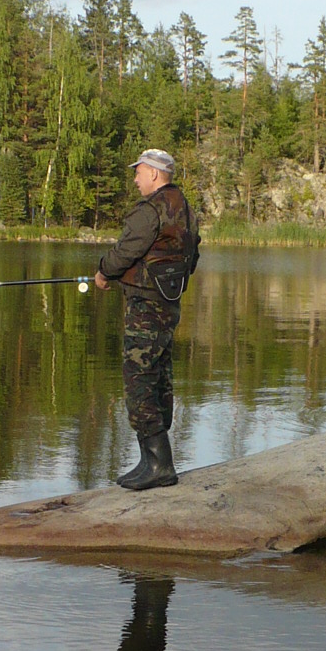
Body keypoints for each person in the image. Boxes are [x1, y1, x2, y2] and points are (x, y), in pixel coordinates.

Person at [93, 149, 200, 490]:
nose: (135, 178)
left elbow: (126, 249)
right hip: (169, 303)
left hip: (144, 305)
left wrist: (103, 272)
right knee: (160, 376)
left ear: (154, 173)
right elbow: (193, 253)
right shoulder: (185, 207)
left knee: (138, 377)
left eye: (138, 172)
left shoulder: (151, 209)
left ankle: (159, 464)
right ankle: (151, 461)